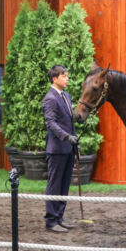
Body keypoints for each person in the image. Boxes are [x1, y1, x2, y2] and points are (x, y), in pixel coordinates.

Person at [41, 64, 79, 233]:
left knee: (64, 185)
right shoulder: (50, 98)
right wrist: (66, 136)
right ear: (54, 78)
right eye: (64, 76)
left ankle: (59, 217)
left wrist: (74, 139)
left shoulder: (66, 96)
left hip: (68, 148)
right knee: (55, 185)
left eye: (67, 76)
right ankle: (51, 220)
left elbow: (69, 122)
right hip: (56, 149)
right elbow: (50, 123)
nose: (67, 79)